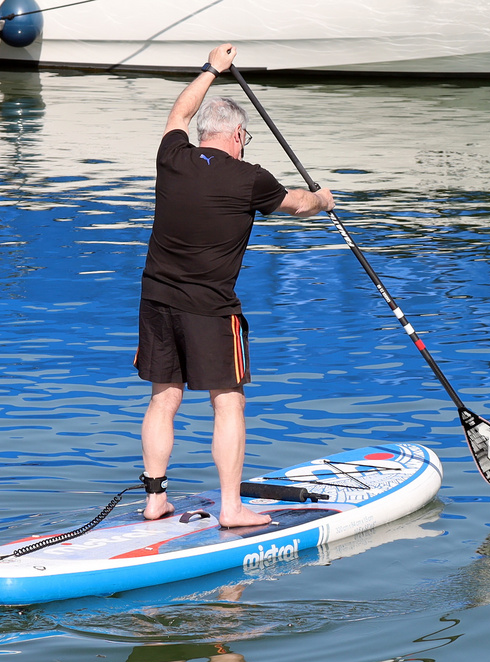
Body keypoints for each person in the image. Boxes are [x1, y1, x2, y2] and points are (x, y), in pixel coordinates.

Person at [134, 43, 334, 526]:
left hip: (156, 299)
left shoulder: (172, 156)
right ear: (239, 135)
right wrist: (324, 199)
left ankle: (155, 498)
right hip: (210, 308)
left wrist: (211, 69)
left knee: (165, 397)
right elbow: (298, 205)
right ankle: (231, 507)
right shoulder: (250, 179)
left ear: (204, 133)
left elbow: (179, 110)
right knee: (228, 401)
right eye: (246, 139)